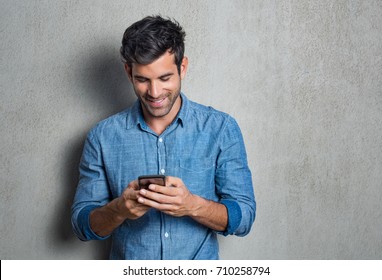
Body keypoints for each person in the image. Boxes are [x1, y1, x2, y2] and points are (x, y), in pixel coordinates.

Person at [71, 15, 256, 260]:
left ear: (183, 68)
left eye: (165, 78)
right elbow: (82, 226)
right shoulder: (102, 137)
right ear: (129, 72)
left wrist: (192, 205)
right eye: (142, 80)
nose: (155, 92)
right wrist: (119, 210)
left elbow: (244, 217)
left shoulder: (221, 128)